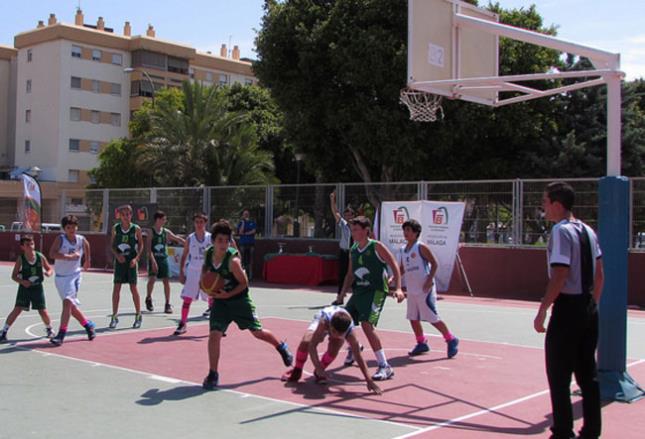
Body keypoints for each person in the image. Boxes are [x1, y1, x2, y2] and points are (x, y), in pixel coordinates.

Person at [533, 181, 603, 439]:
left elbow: (560, 274)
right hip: (588, 307)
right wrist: (591, 304)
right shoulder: (588, 230)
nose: (543, 207)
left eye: (545, 202)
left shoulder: (561, 232)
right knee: (588, 374)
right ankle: (592, 430)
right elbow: (600, 276)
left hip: (568, 309)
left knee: (559, 374)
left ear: (557, 204)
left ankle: (563, 431)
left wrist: (543, 309)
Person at [201, 220, 293, 389]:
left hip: (239, 301)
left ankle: (280, 346)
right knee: (214, 335)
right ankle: (213, 373)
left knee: (257, 333)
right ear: (213, 241)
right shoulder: (208, 254)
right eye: (219, 240)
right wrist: (204, 285)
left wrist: (227, 294)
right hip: (221, 303)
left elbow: (244, 284)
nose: (223, 244)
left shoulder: (232, 261)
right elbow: (205, 271)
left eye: (226, 240)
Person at [339, 216, 404, 381]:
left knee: (367, 325)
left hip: (376, 291)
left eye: (356, 230)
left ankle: (385, 366)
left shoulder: (376, 246)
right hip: (359, 292)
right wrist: (341, 294)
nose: (353, 233)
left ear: (365, 230)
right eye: (352, 230)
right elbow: (350, 274)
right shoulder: (353, 249)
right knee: (341, 322)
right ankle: (355, 348)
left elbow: (394, 264)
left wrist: (397, 288)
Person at [281, 305, 382, 395]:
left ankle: (319, 372)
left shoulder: (350, 332)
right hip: (324, 315)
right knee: (306, 341)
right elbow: (312, 346)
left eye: (339, 334)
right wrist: (317, 365)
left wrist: (369, 380)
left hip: (339, 323)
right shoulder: (324, 322)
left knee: (335, 347)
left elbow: (358, 356)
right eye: (333, 332)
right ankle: (297, 369)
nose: (336, 335)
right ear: (330, 327)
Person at [399, 219, 459, 358]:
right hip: (412, 289)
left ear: (416, 233)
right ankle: (421, 342)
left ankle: (451, 339)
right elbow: (402, 268)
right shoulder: (403, 250)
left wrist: (429, 280)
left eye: (408, 230)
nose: (405, 233)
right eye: (404, 230)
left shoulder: (421, 247)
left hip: (424, 289)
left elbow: (434, 263)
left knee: (432, 317)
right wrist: (393, 278)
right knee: (412, 317)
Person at [48, 215, 96, 345]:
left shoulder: (80, 239)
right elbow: (52, 254)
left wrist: (88, 260)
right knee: (72, 309)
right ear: (64, 228)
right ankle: (88, 326)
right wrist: (68, 256)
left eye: (74, 226)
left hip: (74, 276)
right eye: (69, 227)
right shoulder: (61, 239)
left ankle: (61, 335)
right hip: (60, 277)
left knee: (67, 303)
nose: (72, 229)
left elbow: (87, 244)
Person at [1, 236, 54, 342]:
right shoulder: (21, 259)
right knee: (17, 309)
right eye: (27, 245)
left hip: (37, 288)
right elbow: (14, 276)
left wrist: (48, 273)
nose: (30, 246)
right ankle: (4, 332)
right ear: (22, 247)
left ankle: (49, 329)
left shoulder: (40, 256)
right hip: (24, 288)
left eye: (32, 244)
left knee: (42, 310)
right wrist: (22, 282)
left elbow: (49, 268)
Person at [174, 213, 211, 335]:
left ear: (205, 223)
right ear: (194, 223)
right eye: (197, 222)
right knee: (187, 298)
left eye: (201, 222)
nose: (199, 224)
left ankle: (216, 326)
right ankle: (183, 323)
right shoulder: (190, 238)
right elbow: (184, 256)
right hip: (193, 272)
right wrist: (181, 272)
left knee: (213, 298)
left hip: (207, 272)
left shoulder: (210, 238)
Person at [109, 205, 144, 329]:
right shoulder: (116, 228)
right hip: (120, 262)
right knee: (116, 288)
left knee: (133, 288)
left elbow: (141, 245)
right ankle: (114, 316)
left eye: (128, 214)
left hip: (131, 262)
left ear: (131, 215)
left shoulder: (136, 229)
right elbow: (112, 246)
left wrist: (136, 258)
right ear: (120, 216)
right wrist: (117, 255)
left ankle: (138, 315)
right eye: (123, 214)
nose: (125, 216)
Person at [145, 211, 185, 314]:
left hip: (163, 258)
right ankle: (148, 298)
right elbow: (148, 249)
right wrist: (152, 261)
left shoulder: (165, 232)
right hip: (154, 258)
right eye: (163, 219)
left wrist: (187, 242)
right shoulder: (151, 232)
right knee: (152, 279)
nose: (165, 221)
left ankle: (167, 304)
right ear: (157, 220)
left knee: (166, 281)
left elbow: (176, 238)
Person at [329, 191, 354, 305]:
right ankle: (340, 297)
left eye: (350, 215)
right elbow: (335, 212)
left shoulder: (358, 226)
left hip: (353, 253)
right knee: (342, 275)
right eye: (346, 215)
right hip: (344, 252)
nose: (348, 217)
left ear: (353, 216)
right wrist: (332, 200)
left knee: (355, 275)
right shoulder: (343, 224)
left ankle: (356, 299)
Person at [236, 209, 256, 281]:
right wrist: (243, 223)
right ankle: (241, 275)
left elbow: (253, 231)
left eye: (247, 214)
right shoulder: (241, 223)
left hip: (251, 243)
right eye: (245, 214)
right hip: (243, 243)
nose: (246, 215)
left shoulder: (252, 222)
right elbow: (240, 232)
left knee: (250, 259)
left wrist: (246, 233)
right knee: (242, 259)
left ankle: (250, 276)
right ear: (243, 215)